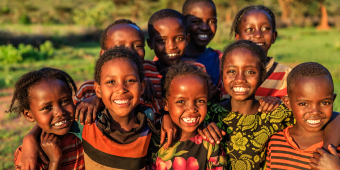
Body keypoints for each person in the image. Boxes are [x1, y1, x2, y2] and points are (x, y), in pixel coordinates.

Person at [203, 40, 340, 170]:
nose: (240, 79)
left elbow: (334, 118)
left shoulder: (275, 113)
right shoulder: (208, 112)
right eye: (231, 71)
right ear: (222, 75)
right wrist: (200, 127)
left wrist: (327, 153)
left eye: (250, 72)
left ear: (263, 75)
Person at [148, 63, 227, 170]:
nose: (191, 109)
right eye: (181, 101)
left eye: (200, 101)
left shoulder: (211, 144)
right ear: (165, 104)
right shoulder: (155, 140)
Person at [266, 62, 340, 170]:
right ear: (288, 103)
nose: (315, 112)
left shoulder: (334, 147)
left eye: (325, 103)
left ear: (333, 100)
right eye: (304, 104)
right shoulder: (275, 142)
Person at [9, 68, 84, 170]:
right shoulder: (29, 156)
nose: (60, 112)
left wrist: (96, 99)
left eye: (65, 101)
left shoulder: (83, 131)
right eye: (47, 107)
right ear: (29, 115)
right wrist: (54, 161)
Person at [230, 5, 292, 100]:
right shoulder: (229, 73)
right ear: (237, 38)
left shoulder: (286, 75)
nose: (258, 35)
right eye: (250, 30)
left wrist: (279, 104)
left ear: (274, 36)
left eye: (265, 29)